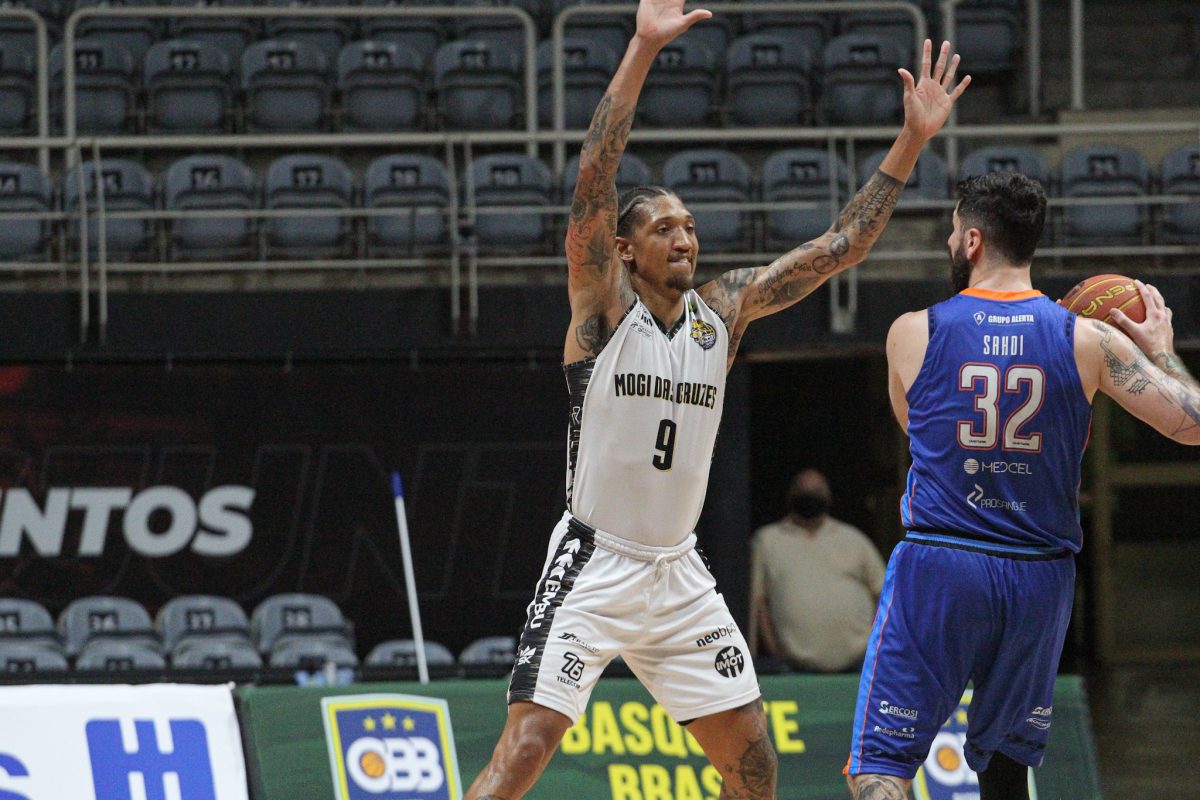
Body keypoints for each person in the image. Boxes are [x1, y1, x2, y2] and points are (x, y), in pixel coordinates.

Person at [463, 0, 970, 795]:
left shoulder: (723, 312)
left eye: (690, 226)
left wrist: (912, 138)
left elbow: (840, 247)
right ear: (624, 249)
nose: (684, 238)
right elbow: (595, 175)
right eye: (664, 228)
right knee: (525, 749)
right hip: (595, 562)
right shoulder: (603, 308)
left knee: (755, 765)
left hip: (677, 573)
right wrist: (642, 48)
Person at [844, 171, 1200, 800]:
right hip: (1038, 576)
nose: (950, 242)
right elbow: (1192, 425)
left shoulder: (912, 331)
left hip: (944, 562)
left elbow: (921, 435)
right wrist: (1162, 353)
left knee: (882, 765)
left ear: (973, 240)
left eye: (954, 230)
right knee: (1007, 767)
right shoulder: (1089, 340)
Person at [749, 469, 885, 673]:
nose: (810, 496)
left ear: (828, 497)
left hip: (860, 663)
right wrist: (774, 651)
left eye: (816, 491)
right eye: (804, 491)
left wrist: (878, 643)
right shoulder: (767, 540)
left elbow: (883, 592)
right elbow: (758, 603)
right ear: (791, 495)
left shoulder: (854, 539)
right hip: (794, 668)